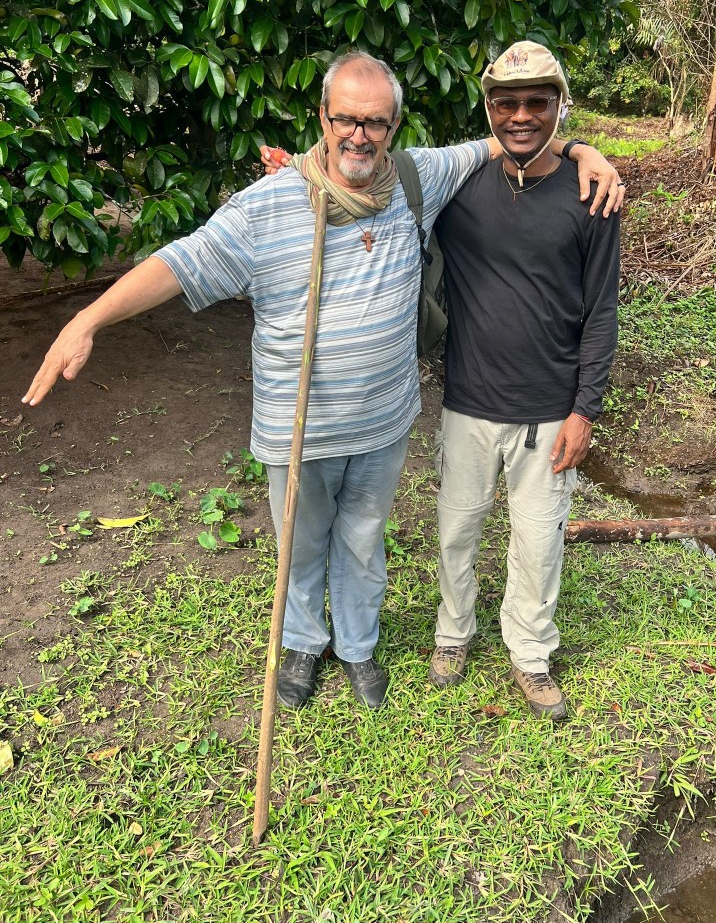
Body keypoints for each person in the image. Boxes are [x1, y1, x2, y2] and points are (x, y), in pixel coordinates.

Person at [23, 51, 620, 713]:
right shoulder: (270, 205)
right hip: (299, 425)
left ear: (393, 127)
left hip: (383, 422)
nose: (359, 135)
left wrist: (581, 150)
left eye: (375, 122)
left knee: (363, 543)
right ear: (323, 118)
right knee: (301, 546)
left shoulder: (416, 180)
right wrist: (89, 319)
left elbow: (509, 136)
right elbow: (180, 262)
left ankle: (359, 646)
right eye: (346, 120)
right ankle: (304, 644)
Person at [426, 41, 621, 721]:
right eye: (506, 102)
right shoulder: (458, 186)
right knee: (457, 530)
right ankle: (453, 633)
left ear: (559, 105)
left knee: (538, 544)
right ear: (488, 108)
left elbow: (601, 311)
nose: (521, 115)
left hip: (549, 410)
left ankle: (530, 652)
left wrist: (585, 409)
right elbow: (374, 180)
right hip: (468, 402)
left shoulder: (592, 195)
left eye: (538, 102)